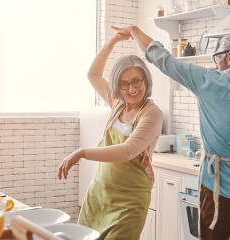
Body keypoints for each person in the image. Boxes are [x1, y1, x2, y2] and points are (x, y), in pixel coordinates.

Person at [112, 25, 230, 240]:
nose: (216, 64)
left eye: (217, 57)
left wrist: (135, 30)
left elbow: (162, 59)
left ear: (229, 57)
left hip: (219, 190)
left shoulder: (209, 80)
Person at [57, 31, 163, 239]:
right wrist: (113, 41)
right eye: (125, 84)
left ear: (145, 81)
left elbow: (127, 151)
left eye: (137, 81)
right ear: (117, 86)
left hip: (130, 201)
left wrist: (81, 153)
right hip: (99, 194)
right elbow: (93, 75)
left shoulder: (151, 113)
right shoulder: (117, 104)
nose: (132, 89)